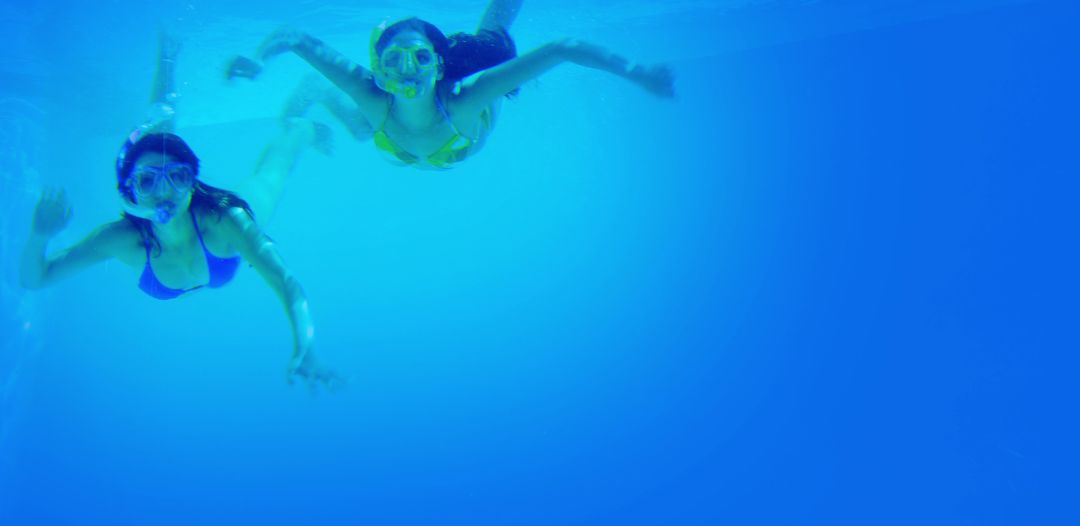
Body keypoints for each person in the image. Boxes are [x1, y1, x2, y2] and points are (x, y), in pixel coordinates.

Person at [19, 33, 340, 388]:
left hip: (219, 232)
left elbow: (285, 280)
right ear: (129, 192)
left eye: (178, 177)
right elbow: (35, 279)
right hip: (195, 238)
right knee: (158, 139)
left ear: (191, 180)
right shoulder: (120, 239)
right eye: (147, 183)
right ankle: (168, 57)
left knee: (273, 171)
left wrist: (305, 345)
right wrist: (39, 236)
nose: (164, 194)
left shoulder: (225, 220)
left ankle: (302, 125)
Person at [226, 0, 674, 169]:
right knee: (365, 129)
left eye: (421, 58)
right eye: (395, 61)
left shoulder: (463, 103)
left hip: (438, 128)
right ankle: (319, 88)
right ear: (380, 71)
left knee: (494, 41)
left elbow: (560, 48)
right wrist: (258, 58)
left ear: (438, 67)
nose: (408, 70)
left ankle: (322, 91)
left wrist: (636, 71)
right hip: (401, 146)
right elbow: (295, 37)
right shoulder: (373, 91)